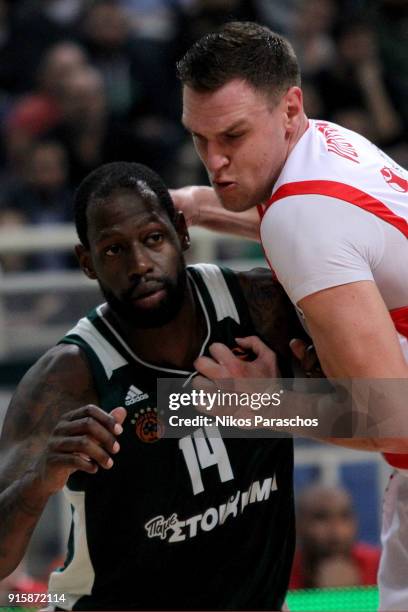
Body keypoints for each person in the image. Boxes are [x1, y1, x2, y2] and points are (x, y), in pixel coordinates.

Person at [173, 21, 408, 610]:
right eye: (198, 140)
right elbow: (327, 230)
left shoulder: (299, 217)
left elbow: (394, 420)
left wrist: (252, 402)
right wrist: (197, 207)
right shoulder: (329, 147)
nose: (215, 160)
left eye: (231, 136)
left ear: (290, 108)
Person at [0, 161, 306, 610]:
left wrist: (279, 405)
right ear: (87, 262)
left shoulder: (259, 309)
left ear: (181, 233)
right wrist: (40, 479)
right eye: (113, 250)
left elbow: (389, 417)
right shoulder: (68, 377)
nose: (140, 264)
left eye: (153, 238)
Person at [289, 484, 380, 589]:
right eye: (321, 518)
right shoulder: (276, 575)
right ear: (298, 525)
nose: (336, 532)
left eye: (345, 516)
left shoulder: (380, 567)